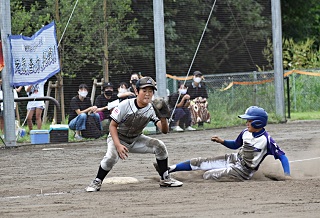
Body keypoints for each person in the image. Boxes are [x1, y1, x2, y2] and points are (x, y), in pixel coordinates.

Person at [85, 76, 183, 192]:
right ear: (136, 91)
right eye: (144, 91)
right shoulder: (125, 105)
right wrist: (118, 145)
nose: (147, 94)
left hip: (136, 139)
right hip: (117, 138)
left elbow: (164, 130)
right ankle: (97, 181)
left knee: (159, 146)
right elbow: (112, 126)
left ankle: (165, 178)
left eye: (150, 91)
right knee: (111, 157)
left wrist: (163, 118)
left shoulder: (152, 108)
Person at [154, 106, 291, 181]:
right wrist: (222, 141)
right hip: (234, 158)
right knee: (199, 162)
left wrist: (287, 175)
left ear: (258, 122)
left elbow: (282, 156)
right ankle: (167, 169)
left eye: (249, 121)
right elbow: (235, 145)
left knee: (209, 174)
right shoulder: (245, 132)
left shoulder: (266, 140)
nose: (246, 123)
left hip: (242, 171)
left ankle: (185, 176)